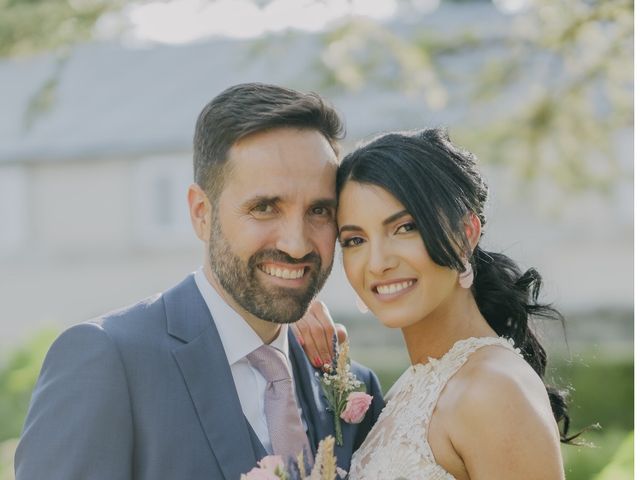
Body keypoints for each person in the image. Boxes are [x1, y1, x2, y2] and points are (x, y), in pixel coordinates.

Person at [14, 83, 384, 480]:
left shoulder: (353, 385)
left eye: (319, 210)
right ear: (201, 213)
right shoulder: (107, 360)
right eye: (264, 207)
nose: (296, 244)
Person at [331, 128, 572, 479]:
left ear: (465, 235)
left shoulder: (492, 390)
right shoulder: (410, 388)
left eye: (405, 228)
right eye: (355, 240)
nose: (377, 262)